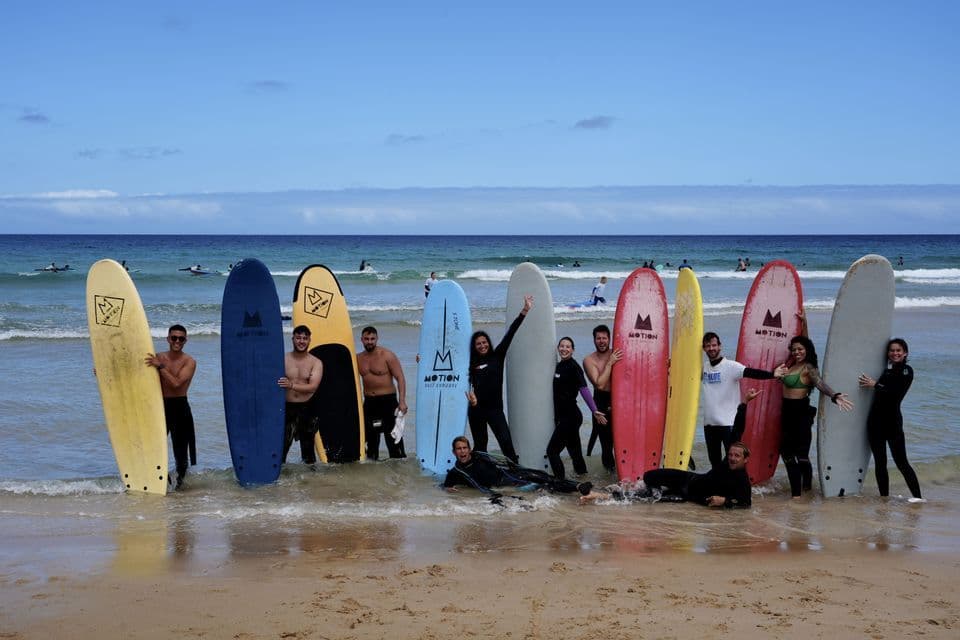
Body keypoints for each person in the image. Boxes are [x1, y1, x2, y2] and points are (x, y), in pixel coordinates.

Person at [774, 332, 853, 497]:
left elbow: (819, 383)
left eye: (800, 349)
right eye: (794, 349)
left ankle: (803, 491)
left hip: (801, 413)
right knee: (786, 452)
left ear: (807, 349)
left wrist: (834, 396)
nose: (797, 352)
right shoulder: (790, 366)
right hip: (786, 412)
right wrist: (802, 322)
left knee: (801, 454)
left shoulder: (808, 367)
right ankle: (800, 491)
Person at [582, 440, 755, 508]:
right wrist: (744, 404)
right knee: (650, 476)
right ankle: (621, 488)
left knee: (647, 498)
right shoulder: (727, 464)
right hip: (687, 478)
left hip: (686, 495)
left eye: (737, 456)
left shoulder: (742, 481)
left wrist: (724, 501)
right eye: (731, 454)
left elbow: (745, 503)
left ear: (745, 460)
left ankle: (600, 495)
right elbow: (736, 432)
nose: (732, 458)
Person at [466, 295, 532, 463]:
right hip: (476, 409)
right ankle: (481, 473)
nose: (482, 345)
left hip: (495, 409)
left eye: (484, 342)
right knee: (480, 445)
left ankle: (516, 474)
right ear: (474, 347)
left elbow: (511, 333)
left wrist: (524, 311)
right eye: (478, 344)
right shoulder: (470, 363)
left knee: (506, 443)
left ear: (488, 342)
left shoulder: (498, 356)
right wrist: (422, 359)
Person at [700, 332, 778, 469]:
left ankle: (735, 488)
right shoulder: (704, 368)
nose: (711, 348)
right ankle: (719, 489)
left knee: (734, 463)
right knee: (715, 462)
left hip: (728, 424)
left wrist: (773, 375)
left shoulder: (731, 366)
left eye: (714, 345)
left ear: (720, 346)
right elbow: (686, 376)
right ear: (704, 348)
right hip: (709, 424)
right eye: (708, 346)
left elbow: (751, 372)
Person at [859, 338, 923, 501]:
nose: (895, 353)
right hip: (875, 422)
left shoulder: (907, 371)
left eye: (898, 350)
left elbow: (894, 393)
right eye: (892, 350)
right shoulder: (886, 372)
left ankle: (918, 498)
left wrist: (875, 385)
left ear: (905, 353)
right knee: (880, 463)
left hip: (892, 422)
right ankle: (884, 499)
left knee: (902, 462)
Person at [443, 436, 592, 497]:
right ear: (454, 452)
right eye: (459, 449)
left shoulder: (478, 455)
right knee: (543, 481)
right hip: (504, 484)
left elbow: (500, 460)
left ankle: (578, 487)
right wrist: (448, 489)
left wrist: (514, 466)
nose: (462, 451)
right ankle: (577, 489)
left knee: (543, 475)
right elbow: (445, 486)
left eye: (464, 448)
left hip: (511, 473)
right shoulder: (456, 472)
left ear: (469, 449)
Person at [144, 325, 197, 489]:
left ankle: (181, 489)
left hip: (180, 407)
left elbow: (176, 384)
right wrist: (104, 373)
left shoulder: (189, 361)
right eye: (174, 337)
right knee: (153, 448)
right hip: (160, 407)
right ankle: (160, 482)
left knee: (181, 454)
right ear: (168, 338)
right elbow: (135, 376)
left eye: (181, 338)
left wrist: (160, 367)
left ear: (185, 341)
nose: (177, 341)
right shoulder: (157, 357)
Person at [548, 337, 607, 479]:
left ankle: (560, 483)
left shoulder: (574, 367)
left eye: (568, 347)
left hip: (570, 417)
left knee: (552, 451)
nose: (564, 349)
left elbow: (583, 389)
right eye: (562, 346)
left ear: (572, 350)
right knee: (575, 454)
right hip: (565, 416)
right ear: (558, 348)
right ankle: (583, 480)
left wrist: (594, 410)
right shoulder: (559, 366)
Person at [357, 326, 408, 460]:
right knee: (371, 443)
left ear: (377, 339)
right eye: (366, 339)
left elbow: (400, 378)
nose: (369, 342)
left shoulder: (387, 355)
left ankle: (399, 473)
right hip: (369, 403)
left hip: (388, 402)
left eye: (372, 339)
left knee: (393, 441)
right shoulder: (358, 359)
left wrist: (402, 401)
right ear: (361, 340)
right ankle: (374, 476)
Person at [278, 325, 323, 465]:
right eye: (298, 338)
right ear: (293, 339)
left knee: (308, 450)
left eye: (305, 338)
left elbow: (313, 387)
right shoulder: (283, 360)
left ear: (309, 340)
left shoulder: (315, 362)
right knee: (282, 448)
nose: (301, 341)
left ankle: (310, 482)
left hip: (307, 408)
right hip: (287, 408)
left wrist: (291, 385)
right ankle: (279, 482)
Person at [583, 324, 621, 470]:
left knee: (624, 441)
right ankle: (610, 477)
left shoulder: (617, 353)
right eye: (598, 338)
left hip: (619, 401)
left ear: (609, 339)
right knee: (606, 445)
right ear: (594, 340)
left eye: (604, 338)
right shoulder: (589, 360)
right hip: (601, 404)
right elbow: (599, 384)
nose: (601, 341)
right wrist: (610, 363)